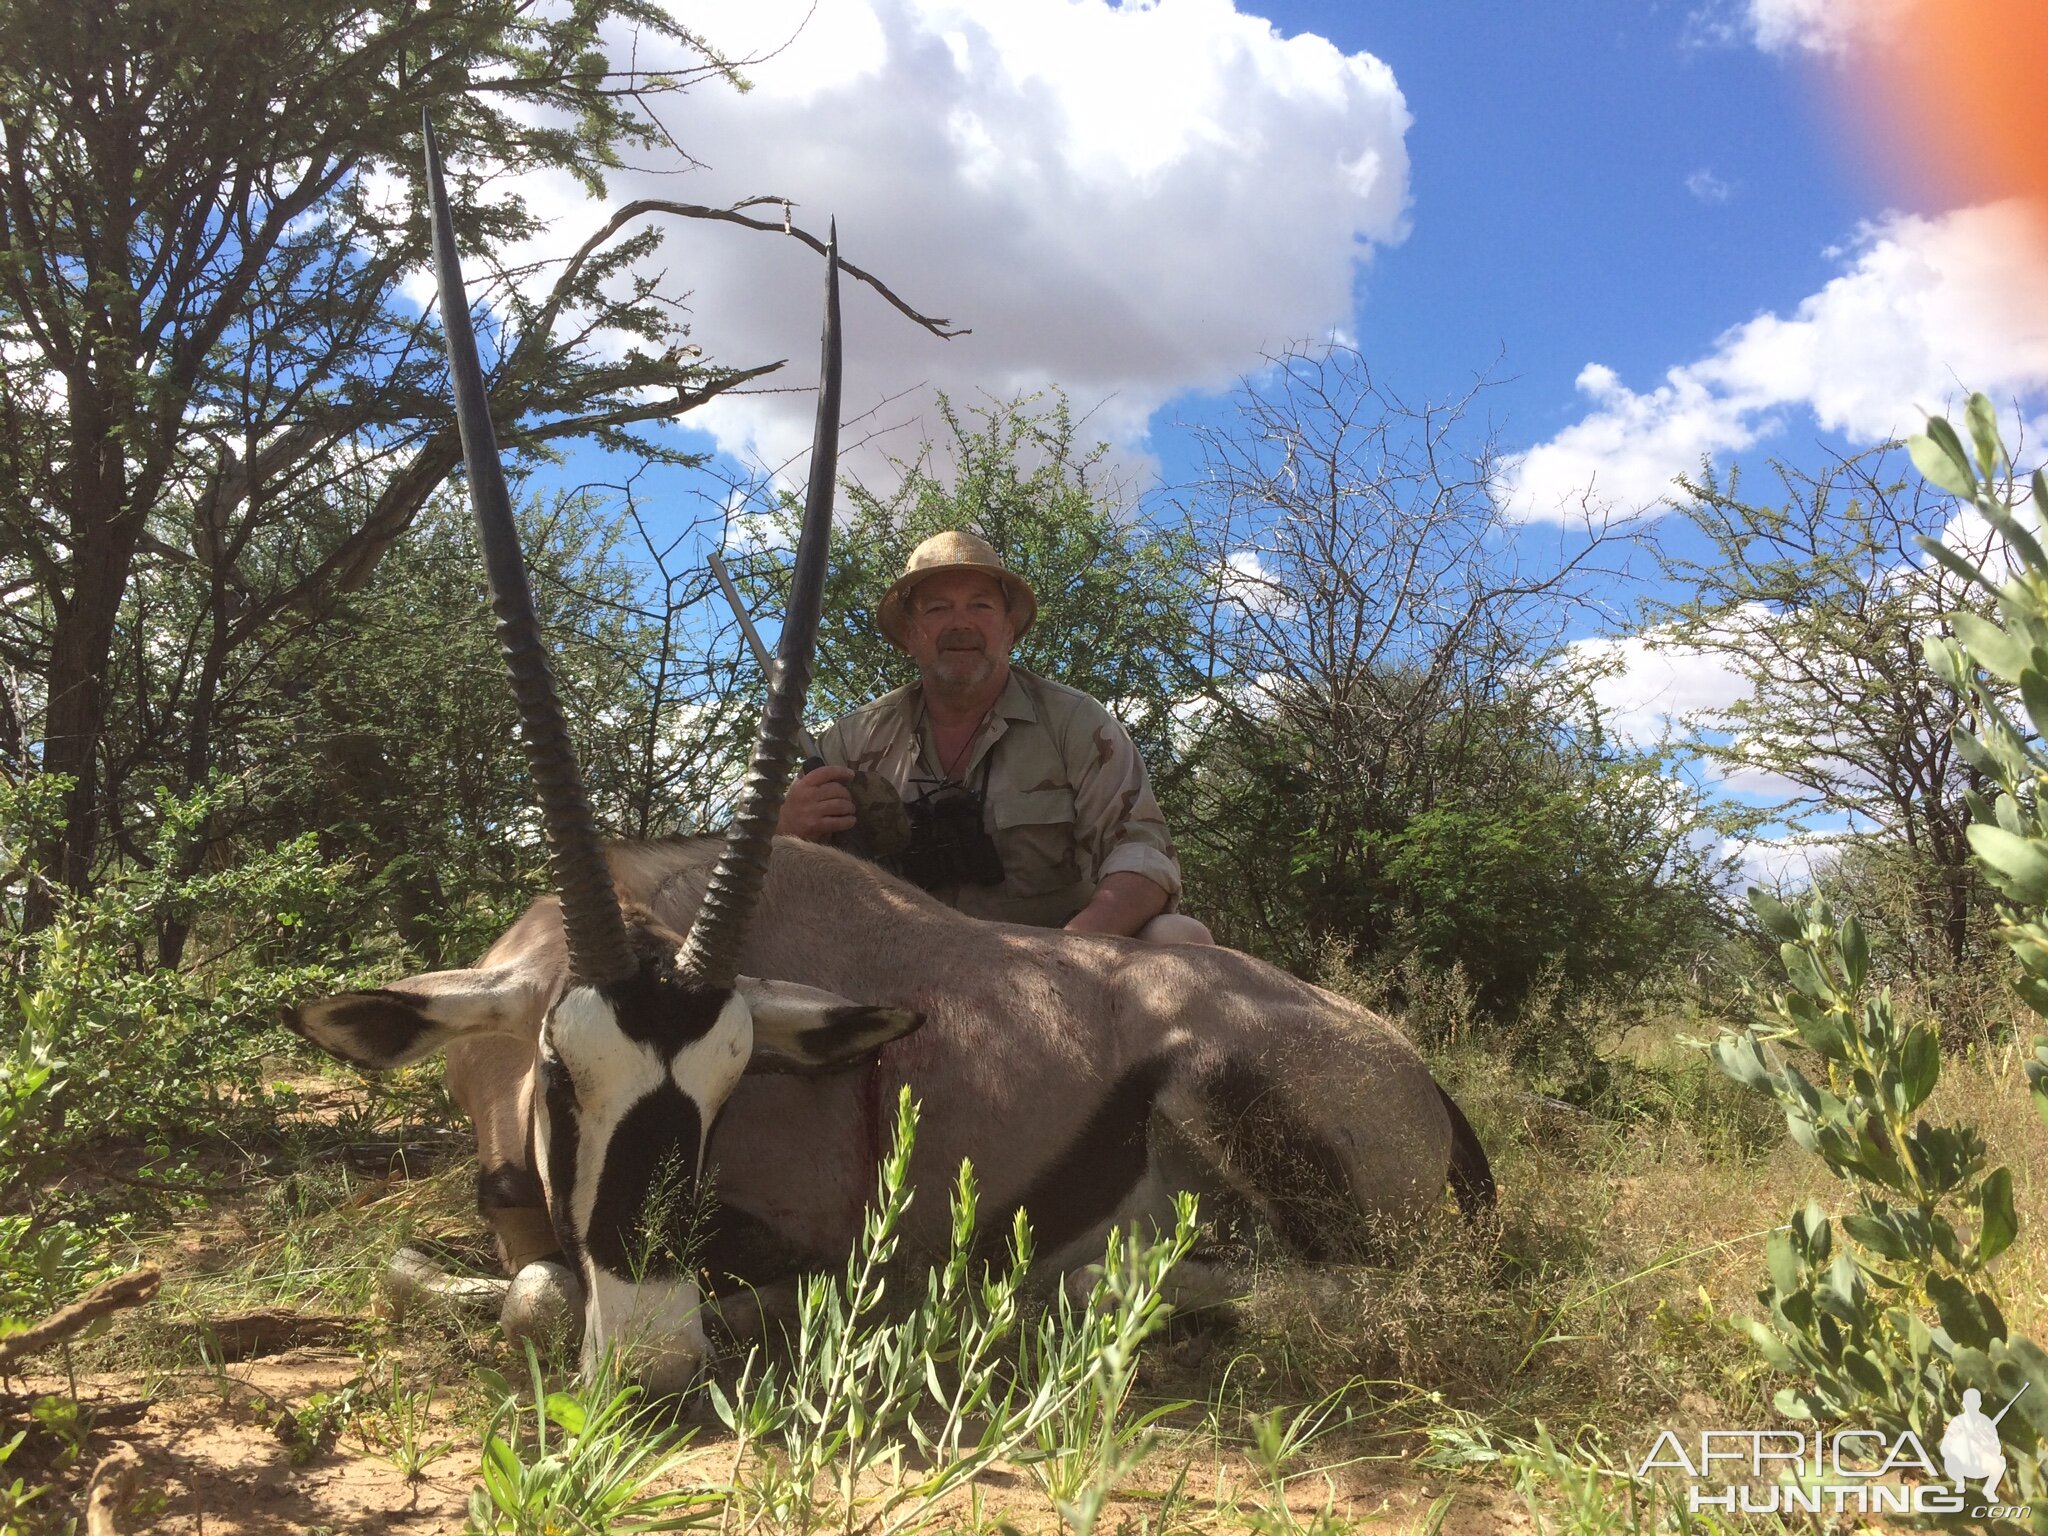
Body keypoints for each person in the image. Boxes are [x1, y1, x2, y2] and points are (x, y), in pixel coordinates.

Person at [776, 531, 1211, 944]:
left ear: (1009, 629)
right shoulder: (849, 740)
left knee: (1181, 939)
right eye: (937, 609)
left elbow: (1143, 855)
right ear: (910, 635)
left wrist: (1069, 953)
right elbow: (784, 881)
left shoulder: (1076, 721)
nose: (960, 624)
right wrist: (785, 828)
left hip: (1056, 956)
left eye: (980, 606)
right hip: (899, 962)